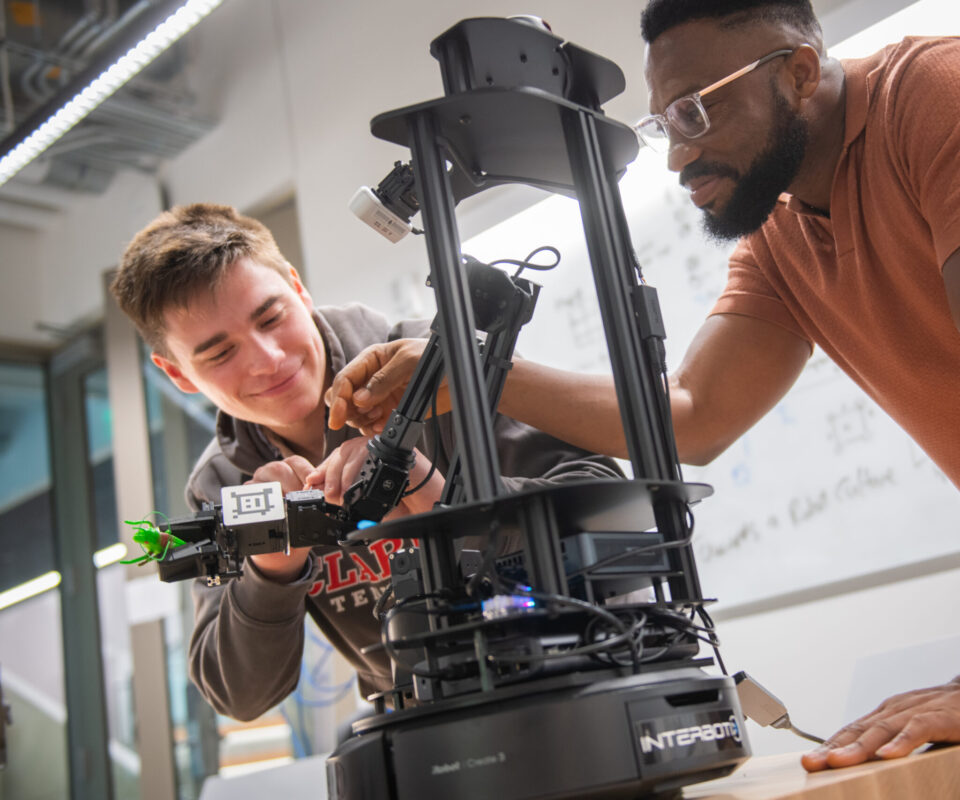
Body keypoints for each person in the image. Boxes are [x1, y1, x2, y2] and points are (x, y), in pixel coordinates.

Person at [324, 2, 960, 796]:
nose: (677, 154)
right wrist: (475, 370)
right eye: (663, 123)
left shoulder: (941, 89)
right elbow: (693, 412)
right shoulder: (780, 237)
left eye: (696, 112)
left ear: (799, 72)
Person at [110, 203, 624, 722]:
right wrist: (271, 566)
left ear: (298, 288)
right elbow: (240, 695)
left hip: (579, 686)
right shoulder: (222, 483)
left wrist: (431, 492)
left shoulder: (434, 368)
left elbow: (610, 508)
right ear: (178, 374)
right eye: (220, 354)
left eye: (271, 317)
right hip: (424, 722)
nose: (268, 359)